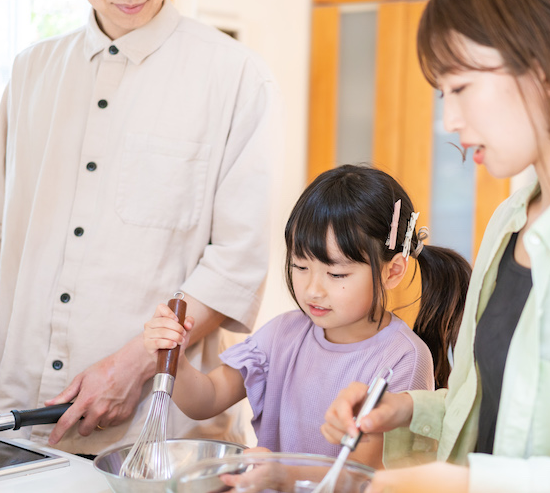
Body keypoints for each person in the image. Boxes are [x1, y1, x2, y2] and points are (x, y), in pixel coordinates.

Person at [321, 0, 550, 491]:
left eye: (461, 87)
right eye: (442, 95)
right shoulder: (509, 221)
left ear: (541, 69)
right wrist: (407, 408)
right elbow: (504, 409)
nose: (450, 119)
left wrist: (469, 485)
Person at [0, 0, 281, 456]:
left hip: (162, 438)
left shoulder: (236, 76)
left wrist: (132, 367)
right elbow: (1, 239)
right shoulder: (30, 71)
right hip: (18, 425)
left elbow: (237, 264)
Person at [143, 164, 471, 469]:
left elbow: (362, 475)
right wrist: (176, 359)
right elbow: (208, 398)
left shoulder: (405, 357)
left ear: (392, 271)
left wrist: (277, 475)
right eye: (300, 267)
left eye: (337, 274)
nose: (313, 289)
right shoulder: (283, 333)